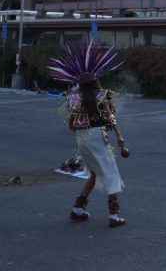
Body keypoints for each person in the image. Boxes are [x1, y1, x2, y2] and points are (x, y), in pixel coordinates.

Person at [49, 40, 129, 228]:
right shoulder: (101, 95)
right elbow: (110, 117)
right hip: (96, 135)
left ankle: (77, 209)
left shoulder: (74, 98)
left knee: (93, 173)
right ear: (95, 79)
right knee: (110, 172)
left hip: (81, 138)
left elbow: (72, 120)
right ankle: (114, 215)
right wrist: (120, 137)